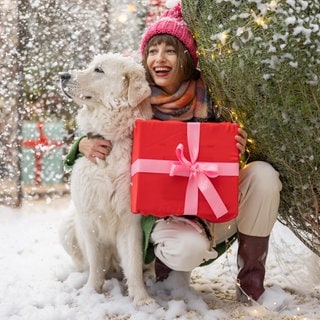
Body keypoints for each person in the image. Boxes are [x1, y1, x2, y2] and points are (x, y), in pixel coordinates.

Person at [64, 3, 282, 306]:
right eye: (153, 50)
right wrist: (81, 144)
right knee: (184, 247)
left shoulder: (214, 97)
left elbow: (234, 149)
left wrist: (239, 150)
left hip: (212, 207)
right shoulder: (137, 99)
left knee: (263, 175)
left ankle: (250, 284)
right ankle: (169, 273)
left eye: (170, 50)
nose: (159, 58)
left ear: (186, 59)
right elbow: (107, 122)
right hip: (170, 218)